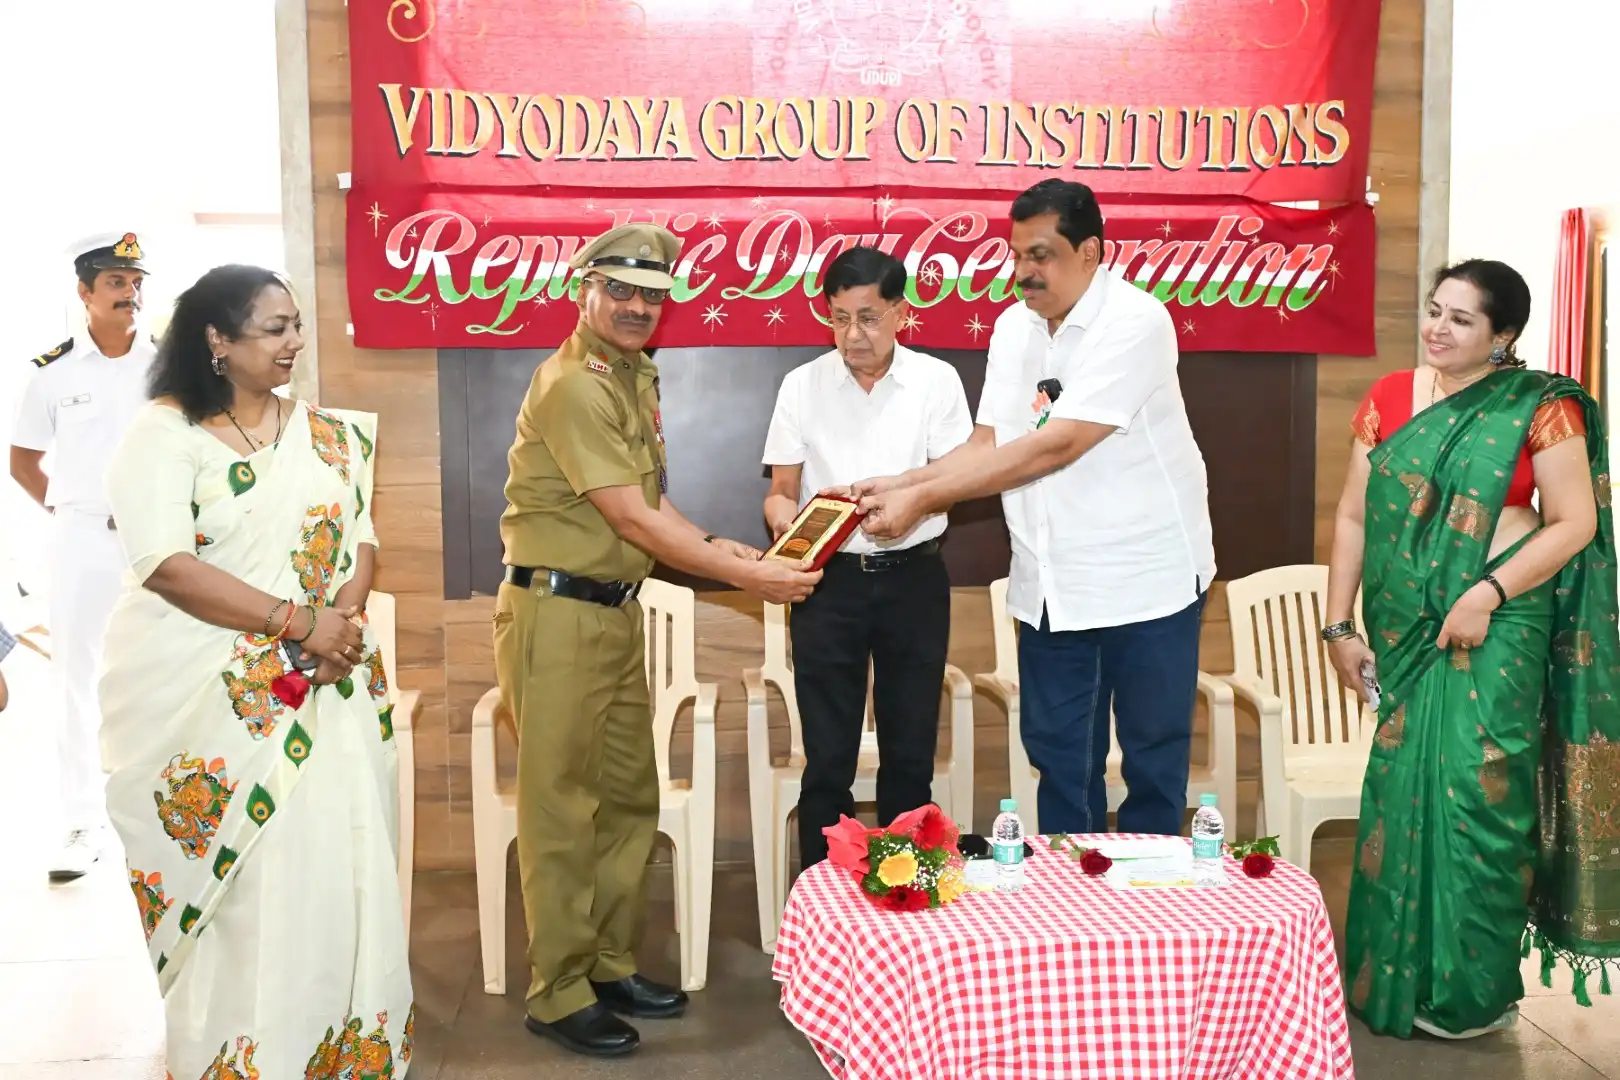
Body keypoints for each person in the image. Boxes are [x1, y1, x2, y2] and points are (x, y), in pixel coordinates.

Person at [494, 223, 822, 1058]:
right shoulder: (575, 384)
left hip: (611, 612)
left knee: (628, 799)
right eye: (623, 290)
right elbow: (629, 516)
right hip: (557, 617)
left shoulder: (628, 380)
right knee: (562, 809)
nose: (639, 306)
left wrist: (727, 550)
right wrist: (750, 581)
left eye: (653, 294)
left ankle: (606, 963)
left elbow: (655, 510)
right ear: (585, 288)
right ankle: (558, 989)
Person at [99, 265, 414, 1077]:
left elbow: (360, 534)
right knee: (248, 891)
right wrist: (293, 621)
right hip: (212, 705)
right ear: (217, 340)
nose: (295, 343)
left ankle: (342, 1052)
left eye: (297, 325)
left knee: (334, 876)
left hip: (326, 686)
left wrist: (336, 622)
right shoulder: (162, 437)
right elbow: (165, 564)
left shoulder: (329, 434)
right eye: (275, 329)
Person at [852, 178, 1215, 838]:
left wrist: (924, 497)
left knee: (1153, 764)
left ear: (1091, 253)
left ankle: (1149, 923)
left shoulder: (1134, 322)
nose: (1023, 272)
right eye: (1016, 255)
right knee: (1058, 761)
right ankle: (1068, 922)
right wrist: (902, 483)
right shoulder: (1015, 329)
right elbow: (990, 441)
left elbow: (1058, 444)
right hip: (1052, 587)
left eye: (1041, 255)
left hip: (1147, 581)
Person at [1326, 259, 1620, 1040]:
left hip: (1501, 622)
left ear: (1503, 337)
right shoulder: (1389, 397)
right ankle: (1391, 984)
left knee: (1479, 790)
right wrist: (1339, 626)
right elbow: (1353, 517)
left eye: (1460, 318)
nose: (1436, 328)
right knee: (1399, 789)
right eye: (1433, 310)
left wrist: (1486, 594)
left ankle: (1470, 994)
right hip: (1407, 631)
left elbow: (1574, 521)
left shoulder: (1540, 407)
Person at [762, 245, 972, 867]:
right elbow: (777, 495)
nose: (853, 334)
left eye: (869, 317)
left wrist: (909, 501)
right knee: (828, 760)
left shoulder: (936, 381)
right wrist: (794, 533)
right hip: (829, 588)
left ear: (901, 313)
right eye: (838, 318)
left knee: (910, 755)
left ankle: (909, 903)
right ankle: (826, 918)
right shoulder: (801, 386)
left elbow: (953, 483)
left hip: (914, 581)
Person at [9, 231, 159, 881]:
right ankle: (81, 825)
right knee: (75, 679)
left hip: (155, 539)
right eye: (117, 283)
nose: (132, 293)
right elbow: (22, 460)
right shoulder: (53, 372)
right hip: (81, 540)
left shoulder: (168, 367)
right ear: (85, 292)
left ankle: (164, 815)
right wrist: (68, 509)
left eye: (136, 282)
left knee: (160, 670)